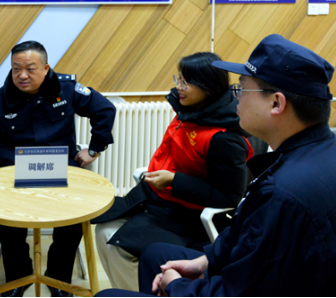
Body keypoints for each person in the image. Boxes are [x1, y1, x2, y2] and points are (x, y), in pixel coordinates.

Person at [99, 34, 336, 297]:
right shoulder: (330, 155)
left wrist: (176, 286)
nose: (236, 99)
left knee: (106, 295)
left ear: (276, 103)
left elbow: (240, 291)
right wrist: (206, 262)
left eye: (241, 90)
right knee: (157, 255)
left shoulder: (284, 194)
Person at [92, 52, 253, 291]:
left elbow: (229, 197)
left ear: (208, 87)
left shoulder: (224, 138)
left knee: (118, 247)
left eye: (187, 82)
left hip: (187, 217)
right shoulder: (190, 111)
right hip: (158, 200)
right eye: (179, 79)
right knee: (103, 228)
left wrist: (175, 180)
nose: (179, 87)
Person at [0, 40, 116, 297]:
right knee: (7, 222)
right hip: (18, 169)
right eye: (16, 69)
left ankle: (58, 279)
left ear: (45, 68)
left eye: (30, 69)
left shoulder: (66, 89)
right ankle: (19, 277)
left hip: (62, 169)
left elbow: (105, 110)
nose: (22, 75)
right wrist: (17, 162)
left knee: (73, 220)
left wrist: (94, 149)